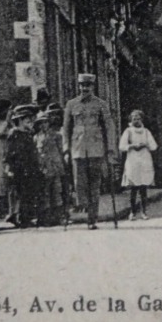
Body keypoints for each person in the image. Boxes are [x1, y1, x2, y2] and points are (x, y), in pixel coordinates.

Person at [62, 72, 115, 229]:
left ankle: (92, 218)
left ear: (93, 86)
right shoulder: (71, 105)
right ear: (79, 86)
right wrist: (66, 149)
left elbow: (109, 127)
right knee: (80, 184)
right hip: (77, 149)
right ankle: (83, 206)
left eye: (88, 86)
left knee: (94, 184)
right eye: (82, 85)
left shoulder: (101, 105)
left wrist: (110, 150)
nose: (85, 88)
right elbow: (66, 129)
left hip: (96, 149)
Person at [4, 104, 46, 228]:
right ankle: (18, 217)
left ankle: (25, 217)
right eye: (26, 119)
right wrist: (9, 167)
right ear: (20, 120)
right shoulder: (14, 133)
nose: (30, 121)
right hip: (18, 167)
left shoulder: (28, 134)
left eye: (31, 119)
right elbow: (8, 152)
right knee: (19, 193)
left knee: (28, 192)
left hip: (30, 167)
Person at [119, 110, 159, 219]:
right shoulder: (128, 131)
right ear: (131, 120)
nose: (136, 121)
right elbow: (122, 146)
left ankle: (144, 212)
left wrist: (145, 144)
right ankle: (132, 212)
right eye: (134, 119)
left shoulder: (146, 132)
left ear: (142, 119)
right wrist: (132, 146)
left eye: (138, 118)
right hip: (133, 160)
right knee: (133, 188)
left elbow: (154, 146)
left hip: (144, 160)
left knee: (143, 188)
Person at [34, 108, 68, 226]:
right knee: (45, 193)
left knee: (57, 192)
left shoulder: (56, 135)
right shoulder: (36, 137)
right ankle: (47, 217)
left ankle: (59, 216)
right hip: (44, 168)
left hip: (56, 166)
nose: (44, 125)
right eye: (41, 123)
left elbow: (61, 151)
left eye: (46, 122)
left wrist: (62, 165)